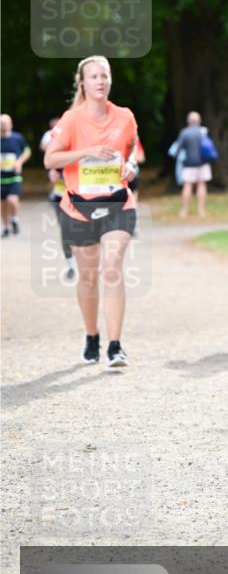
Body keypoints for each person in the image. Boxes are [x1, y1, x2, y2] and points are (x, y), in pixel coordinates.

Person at [44, 56, 139, 366]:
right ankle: (92, 336)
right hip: (79, 207)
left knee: (111, 267)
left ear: (110, 80)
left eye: (104, 75)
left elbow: (132, 152)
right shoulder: (72, 119)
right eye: (94, 76)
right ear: (82, 83)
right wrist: (87, 151)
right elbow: (50, 159)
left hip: (118, 203)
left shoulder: (125, 116)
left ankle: (115, 346)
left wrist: (130, 166)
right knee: (87, 278)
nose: (100, 81)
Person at [40, 118, 75, 279]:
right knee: (66, 231)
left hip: (82, 197)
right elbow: (52, 172)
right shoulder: (56, 151)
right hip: (61, 197)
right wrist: (54, 174)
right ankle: (71, 265)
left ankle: (92, 263)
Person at [173, 112, 211, 219]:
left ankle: (184, 211)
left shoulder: (185, 132)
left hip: (188, 164)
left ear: (188, 121)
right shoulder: (203, 131)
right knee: (202, 185)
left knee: (187, 186)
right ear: (199, 121)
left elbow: (178, 148)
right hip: (203, 162)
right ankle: (201, 210)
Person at [1, 114, 31, 238]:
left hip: (14, 176)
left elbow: (27, 151)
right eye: (2, 123)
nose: (4, 125)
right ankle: (6, 227)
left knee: (12, 199)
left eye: (6, 123)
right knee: (2, 204)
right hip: (1, 178)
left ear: (11, 124)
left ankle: (14, 219)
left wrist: (19, 162)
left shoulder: (17, 138)